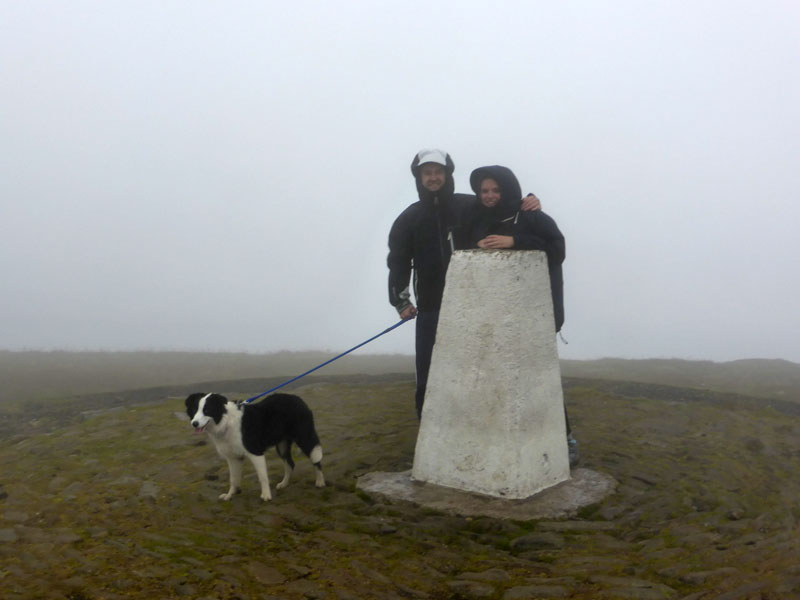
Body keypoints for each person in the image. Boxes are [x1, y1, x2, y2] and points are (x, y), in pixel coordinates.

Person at [387, 149, 540, 419]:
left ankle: (475, 429)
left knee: (478, 370)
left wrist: (528, 201)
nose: (433, 178)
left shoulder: (469, 206)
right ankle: (428, 428)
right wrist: (401, 302)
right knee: (430, 373)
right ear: (419, 177)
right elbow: (398, 262)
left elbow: (502, 207)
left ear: (447, 174)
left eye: (438, 172)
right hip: (431, 308)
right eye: (427, 172)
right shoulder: (408, 219)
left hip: (476, 305)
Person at [467, 164, 578, 466]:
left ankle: (565, 439)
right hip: (495, 319)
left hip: (535, 314)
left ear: (508, 190)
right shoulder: (478, 217)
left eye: (496, 190)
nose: (489, 196)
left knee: (540, 380)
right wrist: (477, 244)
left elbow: (557, 249)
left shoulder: (532, 215)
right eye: (484, 190)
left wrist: (515, 242)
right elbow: (467, 243)